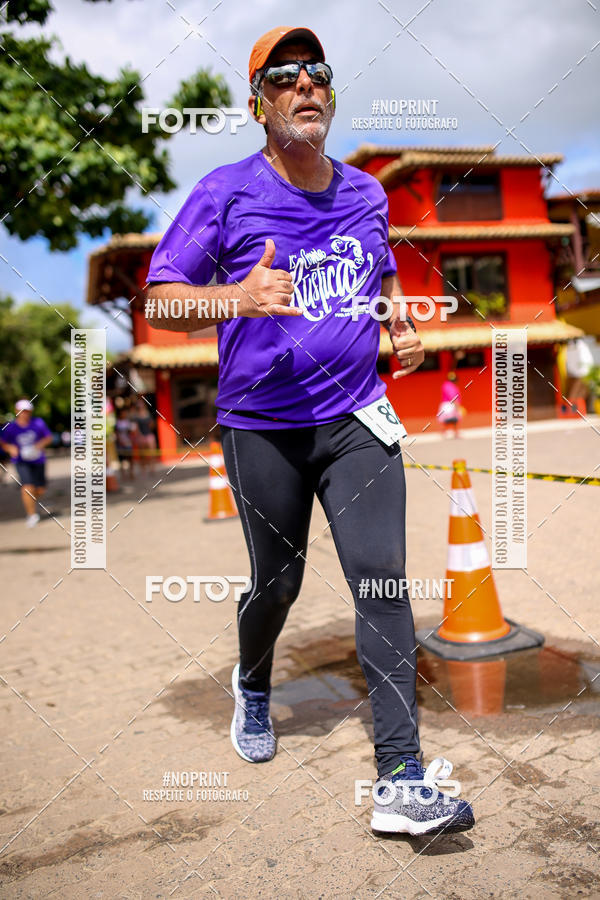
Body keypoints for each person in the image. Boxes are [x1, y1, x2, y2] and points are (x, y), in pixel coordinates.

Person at [145, 25, 474, 835]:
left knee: (383, 579)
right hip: (263, 427)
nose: (305, 85)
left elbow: (381, 272)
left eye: (317, 73)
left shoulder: (366, 193)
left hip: (357, 417)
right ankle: (253, 683)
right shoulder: (225, 192)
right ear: (257, 102)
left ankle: (399, 781)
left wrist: (397, 321)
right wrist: (237, 298)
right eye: (284, 76)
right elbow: (160, 299)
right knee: (278, 583)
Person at [0, 399, 53, 526]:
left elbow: (48, 437)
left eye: (27, 411)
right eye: (22, 411)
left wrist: (39, 445)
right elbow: (3, 443)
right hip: (21, 461)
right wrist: (10, 448)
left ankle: (32, 503)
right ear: (17, 411)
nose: (24, 413)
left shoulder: (38, 423)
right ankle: (32, 515)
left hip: (38, 460)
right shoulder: (11, 427)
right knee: (27, 487)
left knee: (40, 489)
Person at [437, 371, 463, 438]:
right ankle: (448, 432)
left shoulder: (446, 385)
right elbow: (452, 395)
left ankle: (450, 432)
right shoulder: (449, 386)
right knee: (451, 419)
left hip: (447, 404)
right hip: (449, 404)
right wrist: (456, 404)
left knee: (451, 419)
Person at [114, 406, 137, 479]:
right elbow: (116, 433)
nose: (124, 414)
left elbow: (131, 432)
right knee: (121, 459)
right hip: (120, 443)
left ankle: (131, 473)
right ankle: (123, 474)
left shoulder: (128, 422)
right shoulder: (117, 423)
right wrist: (120, 441)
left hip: (128, 442)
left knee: (130, 458)